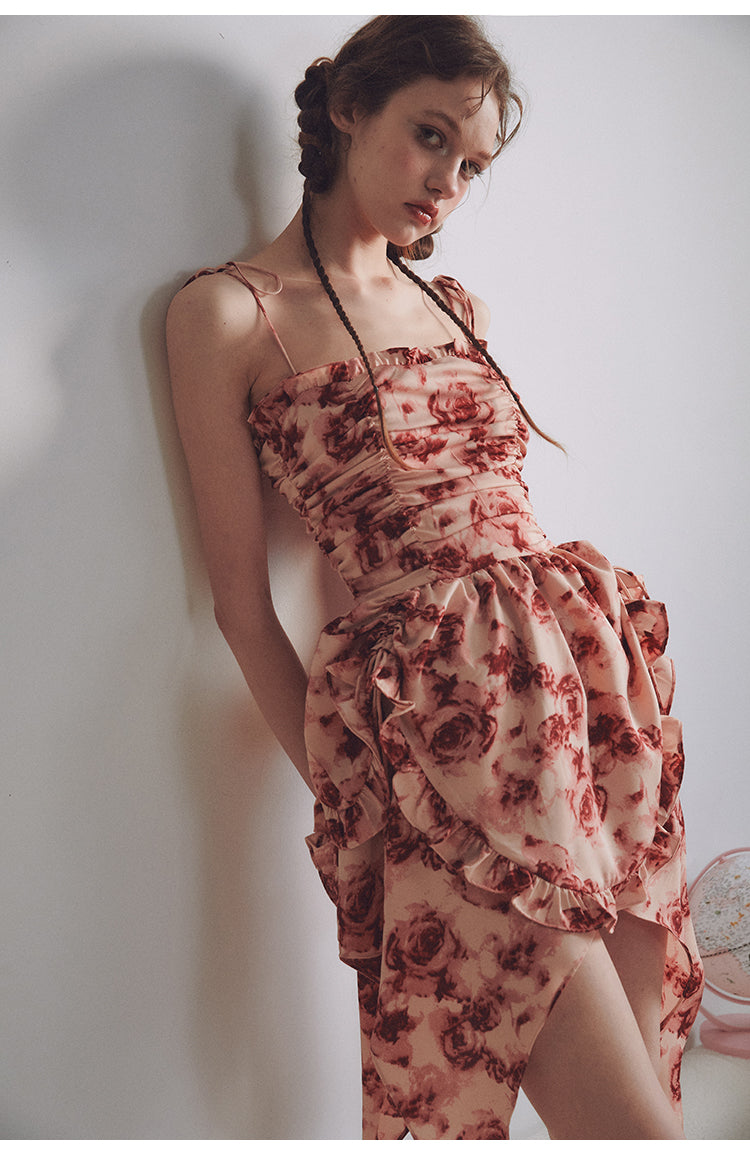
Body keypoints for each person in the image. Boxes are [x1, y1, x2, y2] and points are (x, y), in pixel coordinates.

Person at [166, 15, 703, 1141]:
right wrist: (356, 789)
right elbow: (242, 609)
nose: (449, 183)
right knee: (632, 1130)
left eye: (473, 165)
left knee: (652, 1104)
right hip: (456, 752)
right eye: (430, 137)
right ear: (348, 109)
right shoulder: (229, 313)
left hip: (591, 705)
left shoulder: (459, 307)